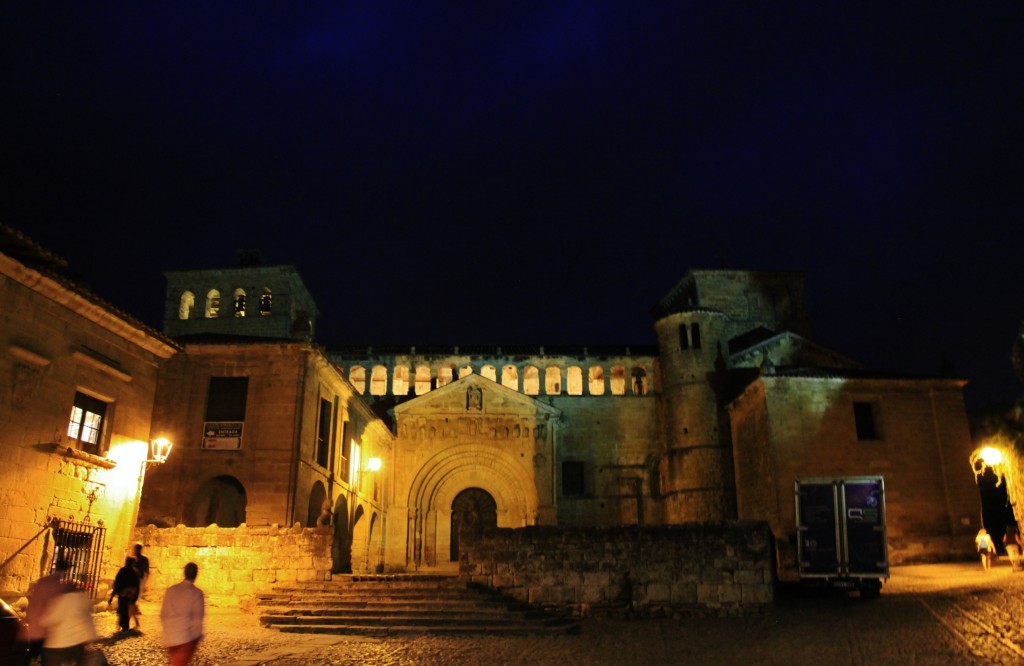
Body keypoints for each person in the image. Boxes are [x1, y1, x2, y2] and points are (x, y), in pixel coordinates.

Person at [19, 559, 75, 662]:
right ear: (65, 570)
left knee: (31, 654)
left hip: (36, 625)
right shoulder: (61, 587)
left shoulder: (43, 581)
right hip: (47, 630)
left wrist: (29, 618)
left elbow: (34, 601)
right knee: (46, 657)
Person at [37, 583, 99, 666]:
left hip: (57, 645)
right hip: (77, 645)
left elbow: (47, 620)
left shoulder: (59, 600)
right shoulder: (83, 600)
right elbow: (88, 621)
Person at [161, 562, 204, 666]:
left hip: (170, 637)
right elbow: (198, 618)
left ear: (184, 573)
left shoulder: (171, 590)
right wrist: (197, 636)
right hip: (185, 638)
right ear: (196, 574)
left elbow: (163, 614)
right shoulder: (196, 593)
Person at [108, 557, 139, 633]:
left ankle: (124, 626)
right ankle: (124, 626)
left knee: (123, 610)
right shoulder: (134, 572)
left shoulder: (123, 571)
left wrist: (112, 595)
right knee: (125, 610)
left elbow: (117, 582)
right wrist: (135, 596)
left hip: (123, 593)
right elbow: (137, 585)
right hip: (130, 594)